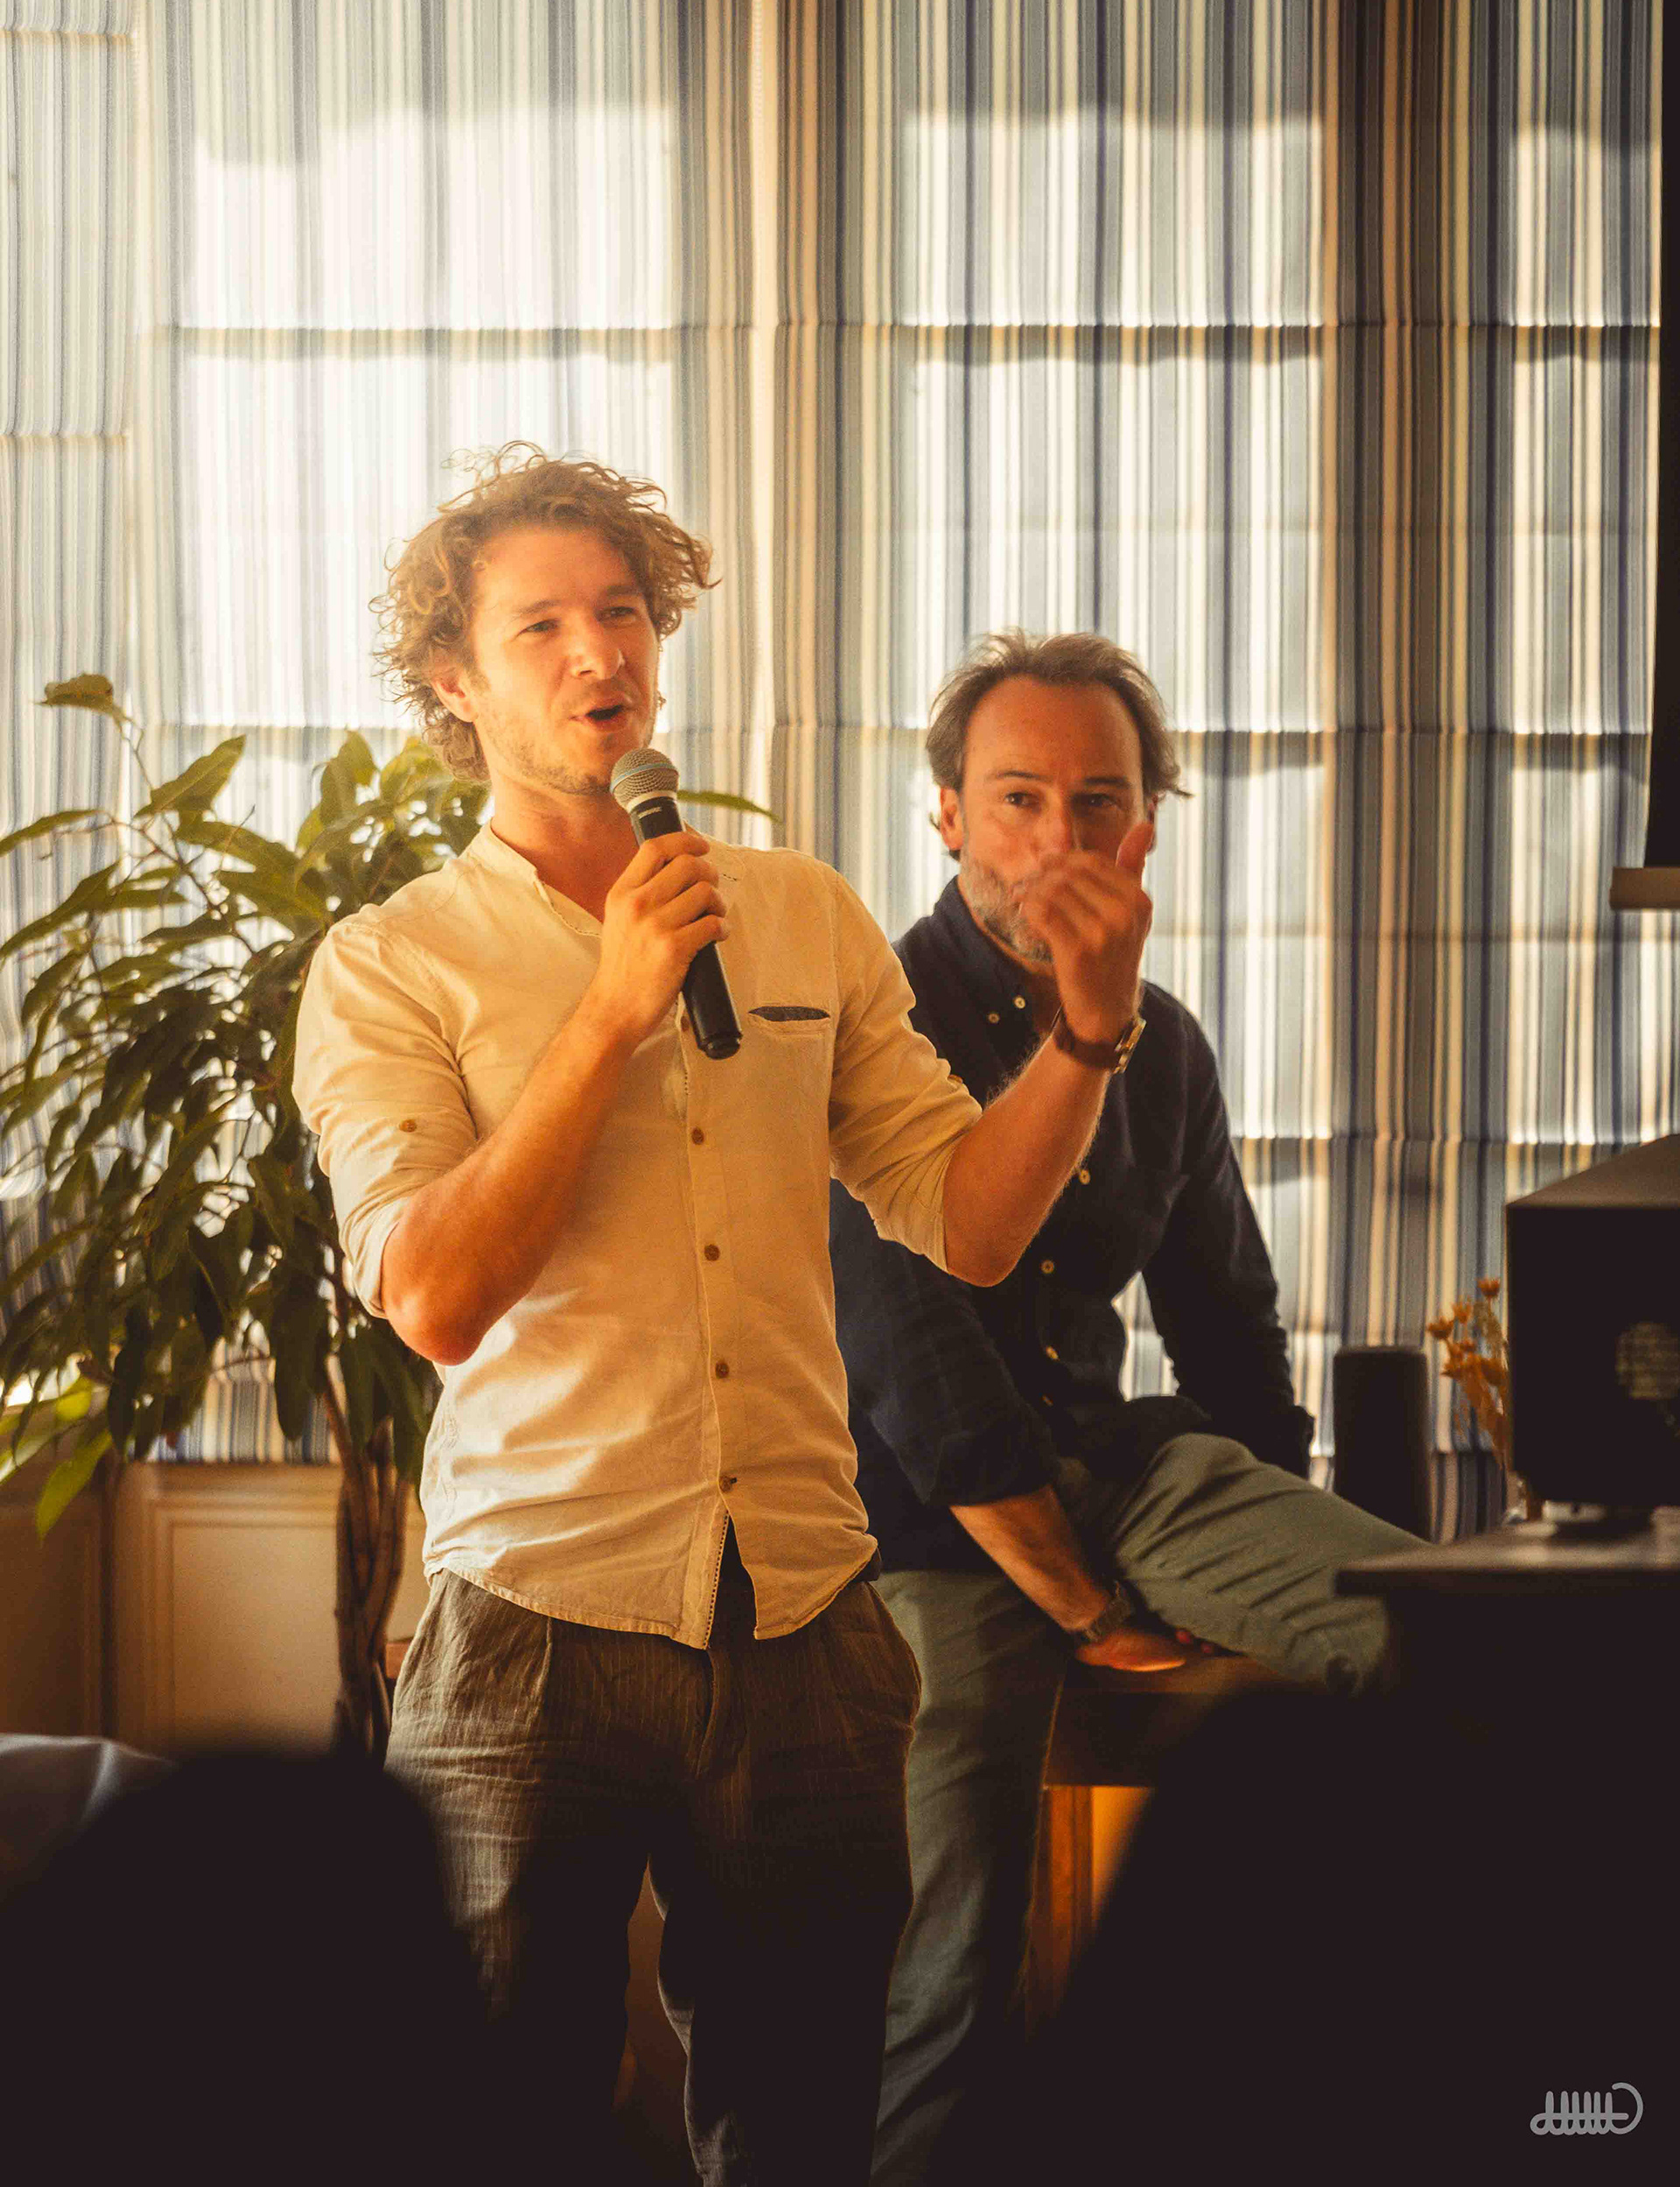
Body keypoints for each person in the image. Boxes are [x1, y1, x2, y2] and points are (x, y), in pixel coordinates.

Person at [291, 450, 1173, 2187]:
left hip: (809, 1622)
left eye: (623, 610)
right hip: (529, 1615)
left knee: (808, 2125)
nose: (599, 652)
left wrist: (1089, 1032)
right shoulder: (393, 962)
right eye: (541, 625)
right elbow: (437, 1299)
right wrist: (608, 1011)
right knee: (501, 2122)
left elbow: (968, 1225)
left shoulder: (799, 911)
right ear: (454, 680)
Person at [826, 630, 1432, 2187]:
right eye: (1017, 797)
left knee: (1448, 1644)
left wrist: (1267, 1521)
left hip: (1122, 1467)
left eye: (1098, 801)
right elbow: (914, 1363)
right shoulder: (867, 1013)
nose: (1059, 838)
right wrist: (1082, 1605)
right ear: (947, 813)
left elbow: (1226, 1320)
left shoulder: (1167, 1043)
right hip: (930, 1519)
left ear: (1144, 825)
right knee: (953, 1952)